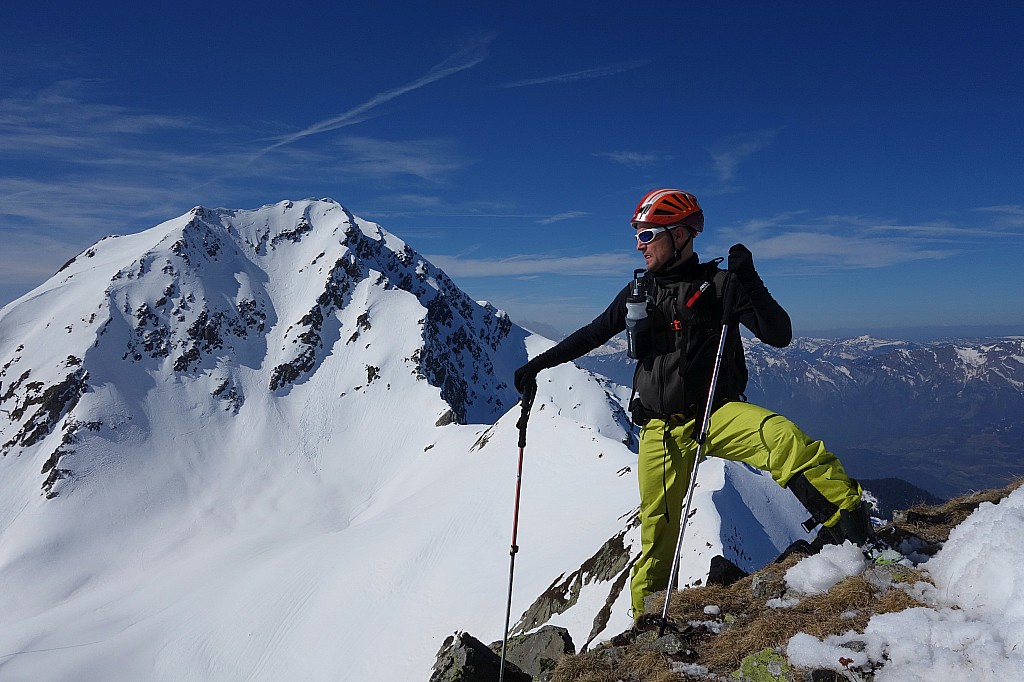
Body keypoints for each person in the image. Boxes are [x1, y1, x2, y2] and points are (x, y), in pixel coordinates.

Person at [513, 188, 878, 618]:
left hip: (716, 414)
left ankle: (854, 535)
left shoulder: (722, 286)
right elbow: (593, 334)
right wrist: (538, 364)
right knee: (658, 535)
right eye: (638, 234)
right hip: (659, 430)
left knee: (785, 440)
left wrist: (752, 282)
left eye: (648, 234)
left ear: (681, 235)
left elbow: (779, 334)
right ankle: (647, 623)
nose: (639, 244)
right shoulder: (638, 291)